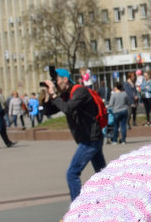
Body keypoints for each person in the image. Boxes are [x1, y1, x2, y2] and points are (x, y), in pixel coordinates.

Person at [42, 66, 106, 200]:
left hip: (90, 139)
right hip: (90, 138)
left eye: (56, 80)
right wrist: (48, 96)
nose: (55, 83)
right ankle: (112, 199)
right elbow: (48, 112)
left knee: (72, 173)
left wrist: (54, 95)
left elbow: (68, 108)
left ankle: (77, 210)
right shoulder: (66, 95)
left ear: (65, 79)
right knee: (102, 173)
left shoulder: (80, 91)